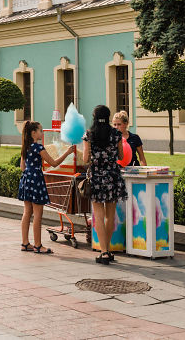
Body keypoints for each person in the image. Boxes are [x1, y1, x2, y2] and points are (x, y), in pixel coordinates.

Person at [18, 120, 76, 254]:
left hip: (26, 179)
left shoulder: (25, 147)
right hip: (36, 180)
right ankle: (38, 245)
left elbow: (22, 167)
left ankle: (25, 243)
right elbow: (54, 163)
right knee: (38, 214)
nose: (42, 132)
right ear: (33, 133)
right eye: (40, 130)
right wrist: (67, 152)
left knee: (27, 212)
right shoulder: (39, 148)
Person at [83, 105, 128, 265]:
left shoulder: (89, 134)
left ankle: (103, 252)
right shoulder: (116, 134)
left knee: (99, 217)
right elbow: (121, 155)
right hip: (113, 177)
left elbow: (85, 158)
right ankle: (107, 250)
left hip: (96, 177)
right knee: (110, 216)